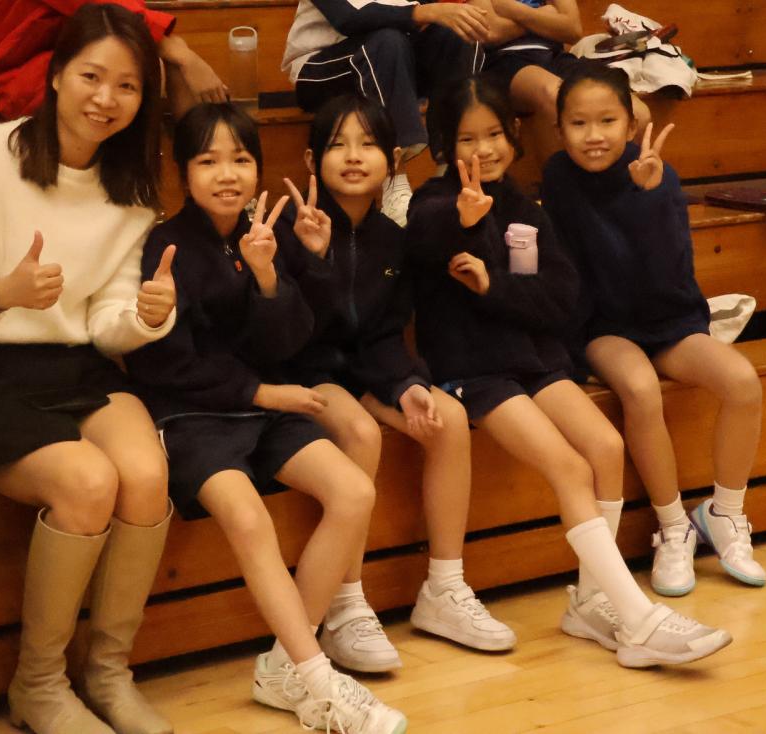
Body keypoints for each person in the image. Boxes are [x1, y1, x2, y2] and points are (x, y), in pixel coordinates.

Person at [405, 74, 732, 667]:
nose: (484, 150)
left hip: (534, 362)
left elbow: (559, 299)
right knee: (569, 466)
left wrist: (494, 287)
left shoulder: (523, 205)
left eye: (494, 134)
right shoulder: (434, 204)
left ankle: (591, 601)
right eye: (467, 139)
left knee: (605, 446)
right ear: (444, 146)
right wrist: (464, 223)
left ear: (514, 135)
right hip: (474, 372)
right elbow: (429, 240)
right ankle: (639, 617)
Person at [124, 102, 407, 734]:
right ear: (182, 171)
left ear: (258, 167)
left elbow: (293, 340)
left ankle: (285, 665)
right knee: (250, 518)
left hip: (265, 406)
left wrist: (269, 278)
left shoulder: (266, 235)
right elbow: (166, 365)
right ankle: (320, 684)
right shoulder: (166, 244)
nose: (227, 174)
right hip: (194, 415)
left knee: (354, 491)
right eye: (208, 161)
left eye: (241, 159)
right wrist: (263, 393)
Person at [0, 5, 177, 733]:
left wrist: (147, 316)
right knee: (88, 482)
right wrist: (1, 293)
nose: (106, 98)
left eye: (127, 86)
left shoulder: (131, 188)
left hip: (76, 364)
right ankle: (38, 683)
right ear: (55, 75)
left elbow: (105, 324)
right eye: (91, 77)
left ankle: (107, 673)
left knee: (147, 475)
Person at [274, 94, 516, 670]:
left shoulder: (391, 237)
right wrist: (316, 259)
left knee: (446, 417)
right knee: (361, 432)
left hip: (361, 370)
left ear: (394, 160)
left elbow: (382, 334)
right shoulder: (289, 228)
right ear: (311, 160)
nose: (354, 157)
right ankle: (346, 605)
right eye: (338, 145)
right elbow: (290, 333)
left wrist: (405, 382)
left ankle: (444, 587)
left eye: (369, 144)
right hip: (301, 372)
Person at [541, 63, 765, 597]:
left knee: (743, 383)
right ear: (560, 128)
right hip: (604, 327)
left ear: (630, 122)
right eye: (578, 123)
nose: (594, 135)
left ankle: (725, 513)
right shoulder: (558, 176)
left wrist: (647, 196)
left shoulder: (658, 174)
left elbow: (670, 274)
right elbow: (568, 272)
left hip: (670, 318)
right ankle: (672, 527)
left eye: (607, 121)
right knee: (640, 389)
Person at [280, 0, 492, 222]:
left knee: (455, 34)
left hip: (393, 55)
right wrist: (428, 11)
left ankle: (450, 174)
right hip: (319, 66)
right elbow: (349, 18)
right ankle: (394, 187)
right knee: (387, 42)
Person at [0, 0, 227, 121]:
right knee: (154, 59)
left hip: (79, 66)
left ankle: (194, 175)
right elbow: (112, 13)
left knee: (156, 64)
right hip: (25, 83)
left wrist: (177, 51)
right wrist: (183, 54)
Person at [479, 0, 650, 155]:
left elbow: (572, 29)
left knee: (638, 113)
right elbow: (491, 31)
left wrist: (513, 9)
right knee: (555, 95)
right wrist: (546, 15)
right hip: (505, 60)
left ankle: (624, 178)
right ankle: (560, 178)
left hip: (555, 56)